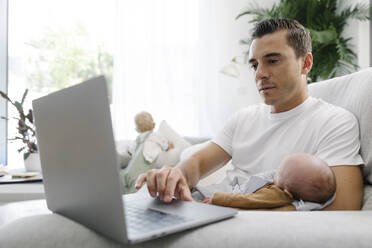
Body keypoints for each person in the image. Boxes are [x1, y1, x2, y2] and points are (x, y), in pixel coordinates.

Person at [135, 18, 364, 210]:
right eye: (254, 65)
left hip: (238, 222)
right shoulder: (243, 118)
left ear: (306, 63)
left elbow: (346, 206)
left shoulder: (336, 122)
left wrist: (260, 213)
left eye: (272, 61)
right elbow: (197, 164)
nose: (260, 74)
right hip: (205, 207)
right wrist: (175, 175)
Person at [200, 153, 336, 211]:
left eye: (280, 173)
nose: (275, 172)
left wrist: (218, 199)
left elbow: (248, 200)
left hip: (228, 197)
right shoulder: (285, 190)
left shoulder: (276, 195)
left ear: (287, 192)